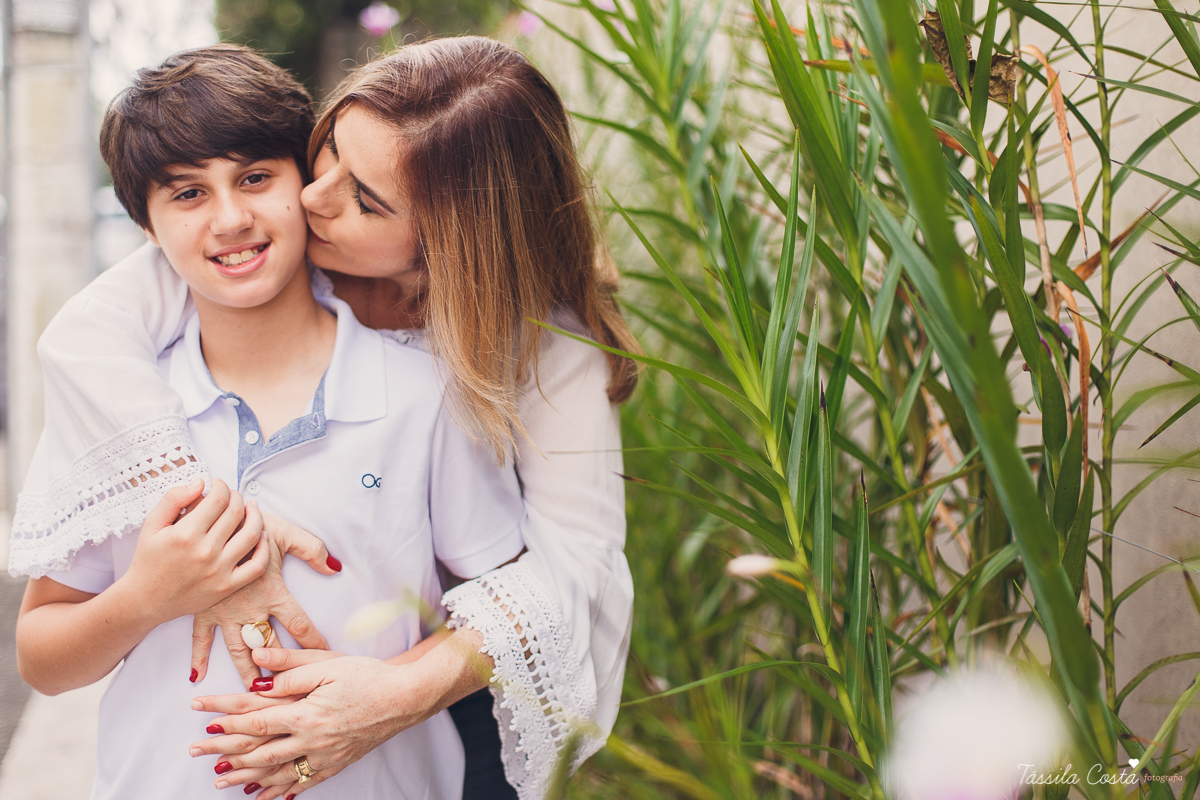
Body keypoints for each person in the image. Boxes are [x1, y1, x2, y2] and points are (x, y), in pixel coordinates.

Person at [12, 36, 640, 800]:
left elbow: (564, 575)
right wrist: (188, 559)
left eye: (365, 198)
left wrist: (389, 697)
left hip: (415, 737)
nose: (314, 198)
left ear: (449, 237)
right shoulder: (198, 306)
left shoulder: (498, 368)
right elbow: (81, 340)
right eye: (328, 154)